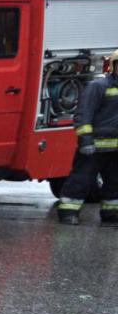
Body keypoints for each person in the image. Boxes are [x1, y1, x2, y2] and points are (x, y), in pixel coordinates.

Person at [58, 49, 118, 225]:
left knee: (115, 183)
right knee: (81, 180)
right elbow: (83, 115)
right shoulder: (98, 86)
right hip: (95, 146)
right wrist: (86, 141)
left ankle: (111, 214)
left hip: (115, 149)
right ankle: (68, 212)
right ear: (112, 66)